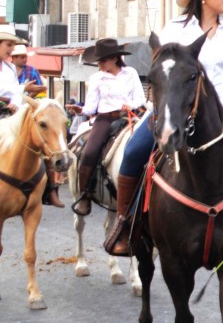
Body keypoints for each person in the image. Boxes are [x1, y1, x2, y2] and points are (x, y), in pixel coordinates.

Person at [106, 0, 223, 256]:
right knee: (133, 153)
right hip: (172, 109)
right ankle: (126, 224)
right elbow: (160, 69)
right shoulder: (173, 29)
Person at [67, 38, 145, 216]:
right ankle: (85, 194)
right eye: (99, 61)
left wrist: (130, 105)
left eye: (102, 60)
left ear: (114, 58)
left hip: (129, 117)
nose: (99, 64)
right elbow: (90, 107)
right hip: (105, 119)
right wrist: (80, 110)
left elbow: (140, 98)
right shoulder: (96, 78)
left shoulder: (131, 73)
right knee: (89, 152)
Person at [0, 24, 63, 206]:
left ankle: (49, 189)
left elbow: (15, 93)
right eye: (9, 45)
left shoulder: (10, 69)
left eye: (13, 45)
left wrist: (21, 96)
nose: (11, 49)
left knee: (41, 143)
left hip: (14, 114)